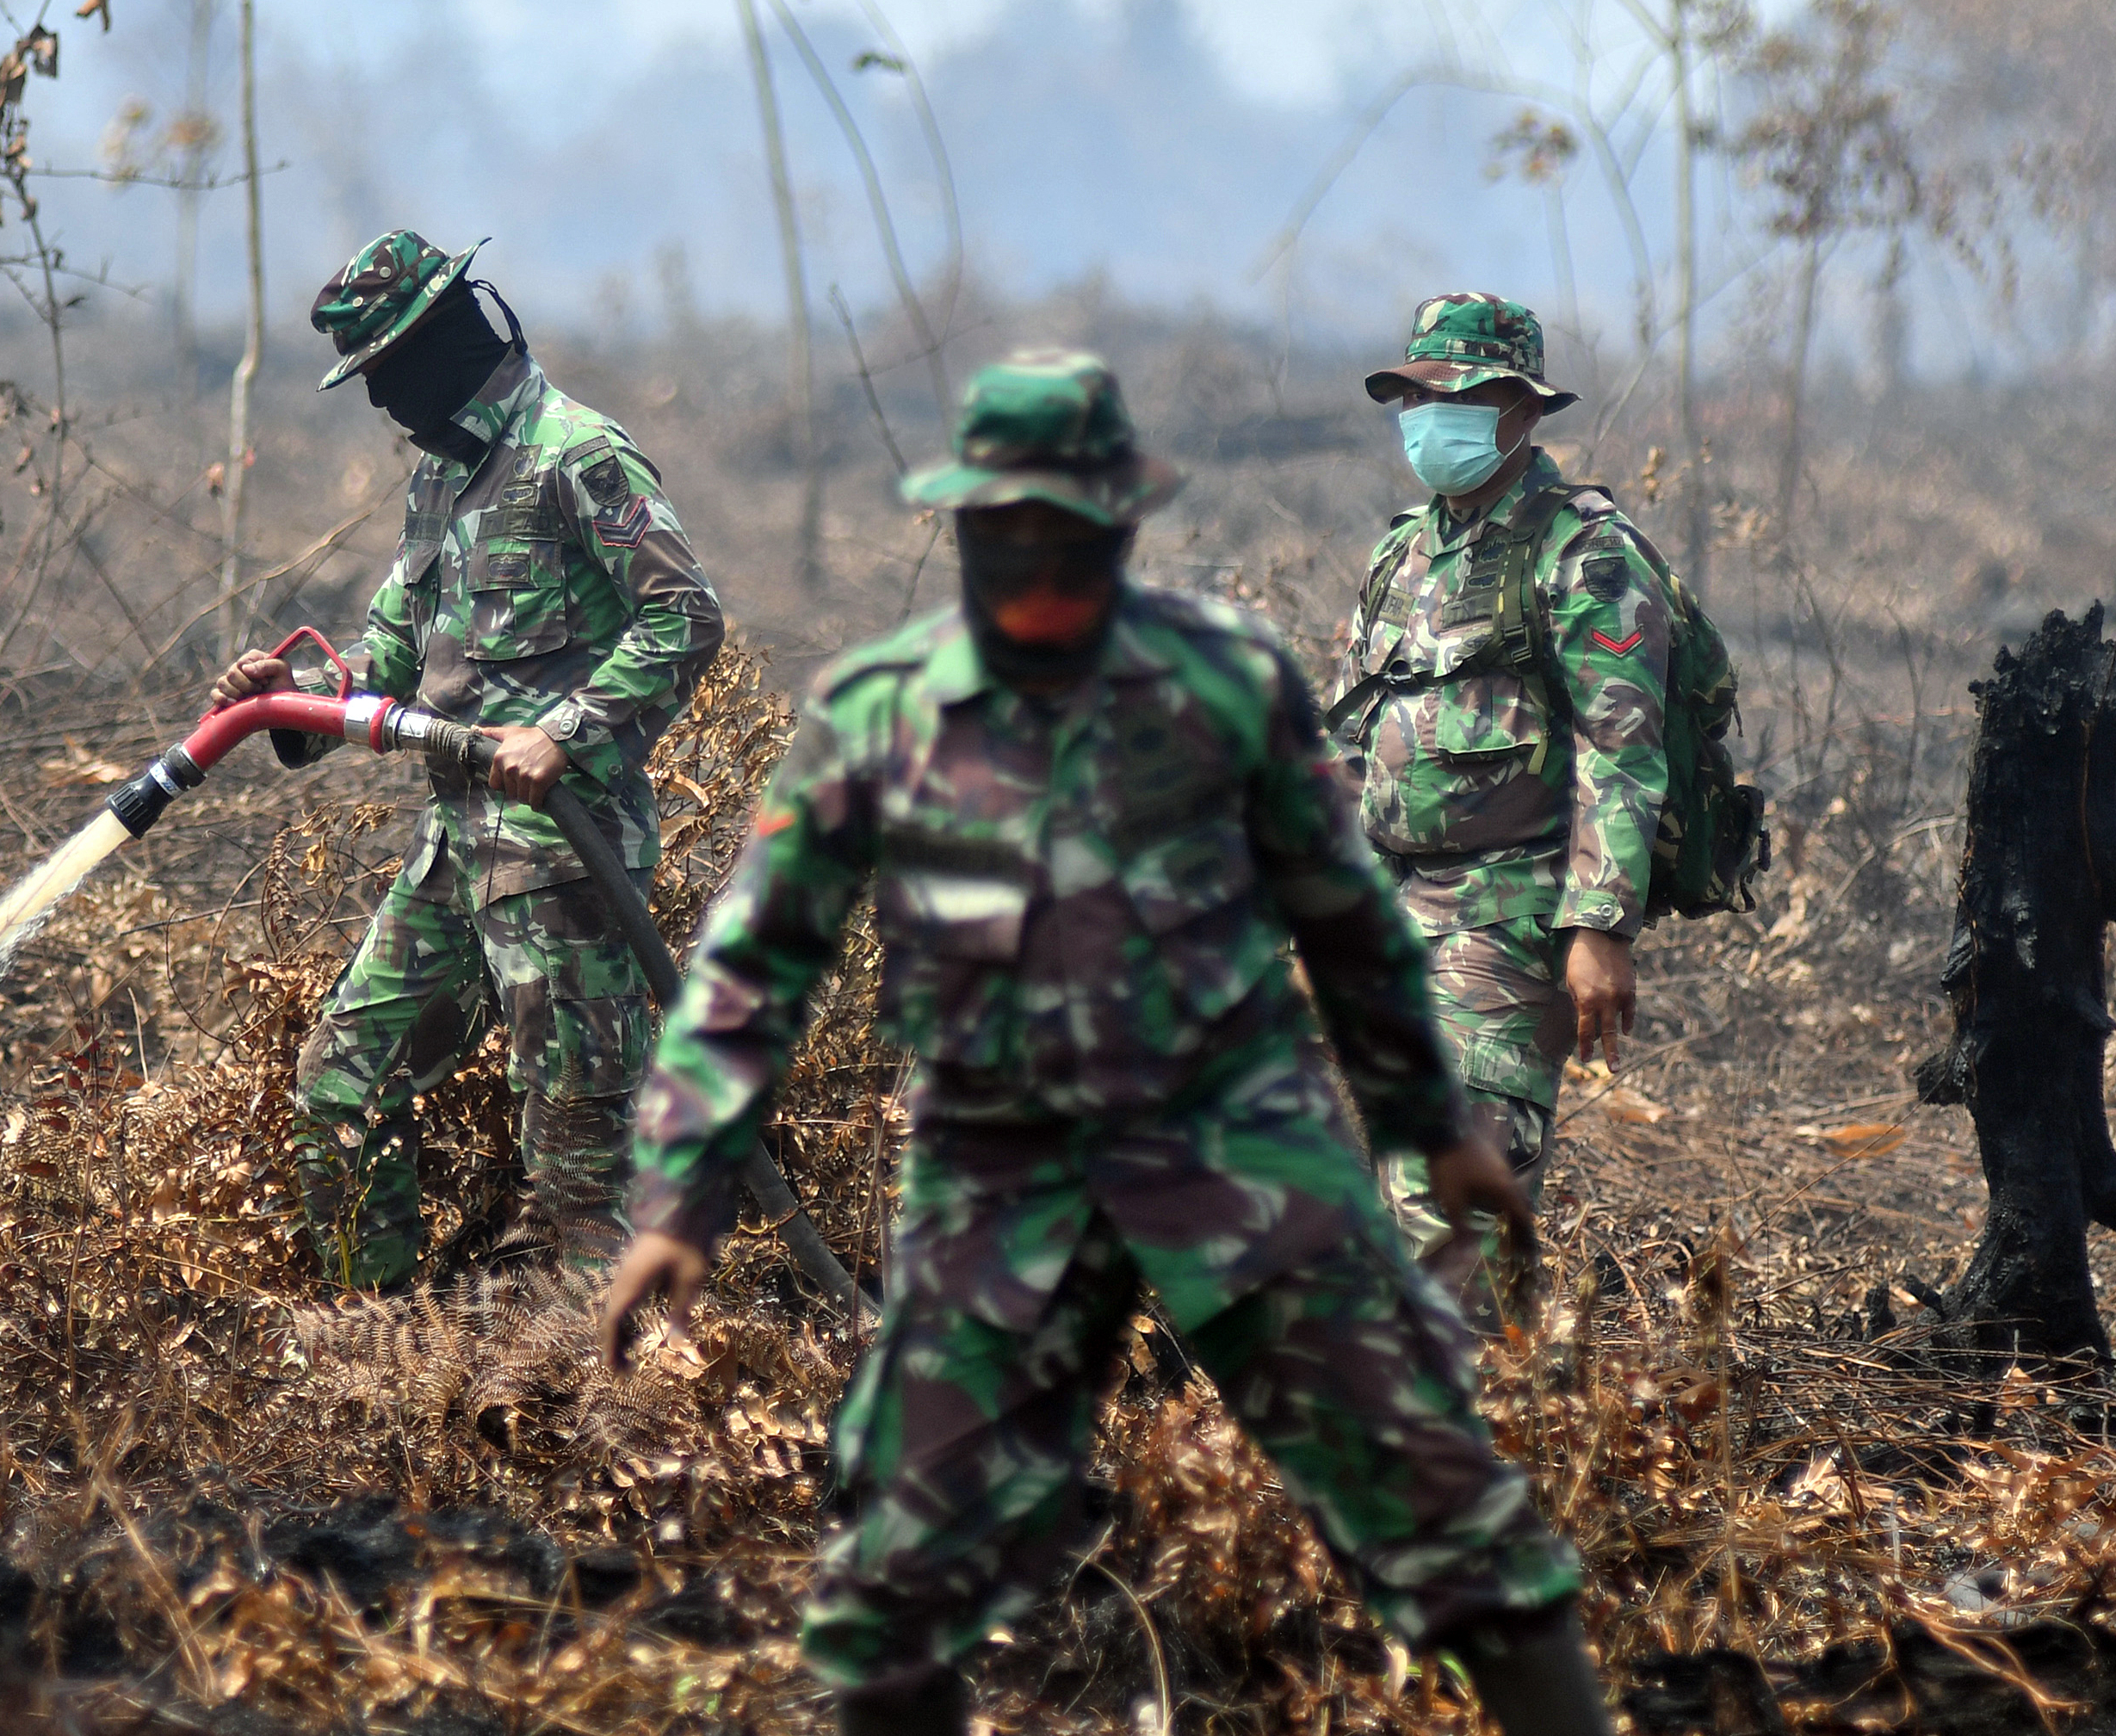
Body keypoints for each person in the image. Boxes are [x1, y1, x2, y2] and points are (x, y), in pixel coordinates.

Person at [601, 353, 1611, 1736]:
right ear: (961, 525)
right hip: (995, 1176)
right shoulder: (879, 709)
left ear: (1120, 523)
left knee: (1450, 1512)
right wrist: (679, 1196)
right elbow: (753, 964)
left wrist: (1430, 1123)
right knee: (892, 1580)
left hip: (1237, 1145)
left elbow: (1352, 926)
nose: (1033, 560)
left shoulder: (1224, 683)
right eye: (1003, 527)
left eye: (1064, 528)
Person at [210, 229, 723, 1289]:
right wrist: (289, 701)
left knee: (580, 1164)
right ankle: (381, 1348)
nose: (380, 403)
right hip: (453, 861)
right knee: (341, 1084)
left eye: (385, 373)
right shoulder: (441, 484)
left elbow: (684, 614)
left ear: (444, 340)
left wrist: (566, 731)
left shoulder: (577, 453)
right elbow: (394, 661)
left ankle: (607, 1407)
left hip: (565, 871)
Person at [1332, 294, 1663, 1302]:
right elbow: (1352, 733)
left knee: (1453, 1202)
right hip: (1384, 908)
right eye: (1416, 396)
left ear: (1521, 408)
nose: (1432, 417)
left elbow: (1622, 745)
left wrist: (1599, 927)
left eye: (1461, 396)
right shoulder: (1403, 551)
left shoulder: (1584, 554)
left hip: (1504, 913)